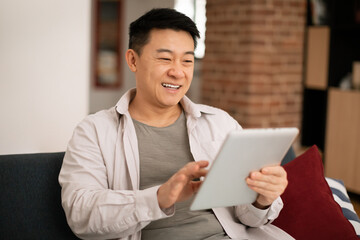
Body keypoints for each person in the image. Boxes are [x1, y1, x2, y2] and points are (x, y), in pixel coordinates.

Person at [59, 8, 293, 240]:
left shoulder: (220, 124)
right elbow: (81, 216)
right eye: (165, 59)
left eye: (187, 61)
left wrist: (262, 199)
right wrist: (159, 198)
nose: (178, 72)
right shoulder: (94, 131)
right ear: (133, 60)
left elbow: (250, 219)